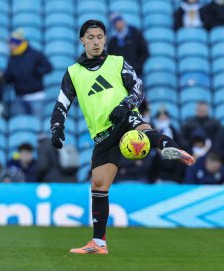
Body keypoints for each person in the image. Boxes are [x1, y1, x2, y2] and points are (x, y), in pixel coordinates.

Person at [50, 19, 195, 254]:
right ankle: (98, 244)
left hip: (124, 117)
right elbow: (62, 102)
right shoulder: (73, 73)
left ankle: (171, 147)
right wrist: (56, 127)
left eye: (99, 37)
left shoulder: (118, 62)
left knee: (142, 130)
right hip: (102, 134)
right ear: (82, 40)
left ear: (105, 39)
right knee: (98, 184)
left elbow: (138, 88)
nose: (96, 42)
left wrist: (124, 105)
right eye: (91, 37)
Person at [5, 29, 53, 119]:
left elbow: (48, 68)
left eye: (12, 43)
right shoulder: (12, 57)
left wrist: (35, 72)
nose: (10, 46)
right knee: (21, 125)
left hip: (35, 97)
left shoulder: (35, 54)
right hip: (19, 97)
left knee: (37, 125)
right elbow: (9, 75)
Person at [107, 13, 149, 77]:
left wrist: (137, 66)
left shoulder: (135, 34)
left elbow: (145, 52)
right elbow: (110, 58)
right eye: (115, 22)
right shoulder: (112, 41)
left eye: (119, 20)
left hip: (136, 73)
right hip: (120, 76)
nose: (118, 23)